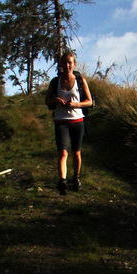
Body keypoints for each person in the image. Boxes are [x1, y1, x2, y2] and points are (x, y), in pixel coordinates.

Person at [44, 50, 93, 195]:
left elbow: (89, 101)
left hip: (77, 120)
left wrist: (75, 105)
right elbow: (47, 101)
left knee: (76, 152)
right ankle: (62, 181)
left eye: (69, 63)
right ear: (60, 64)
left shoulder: (80, 80)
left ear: (74, 64)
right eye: (64, 63)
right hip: (61, 122)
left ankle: (76, 178)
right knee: (62, 153)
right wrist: (54, 100)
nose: (67, 65)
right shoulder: (55, 81)